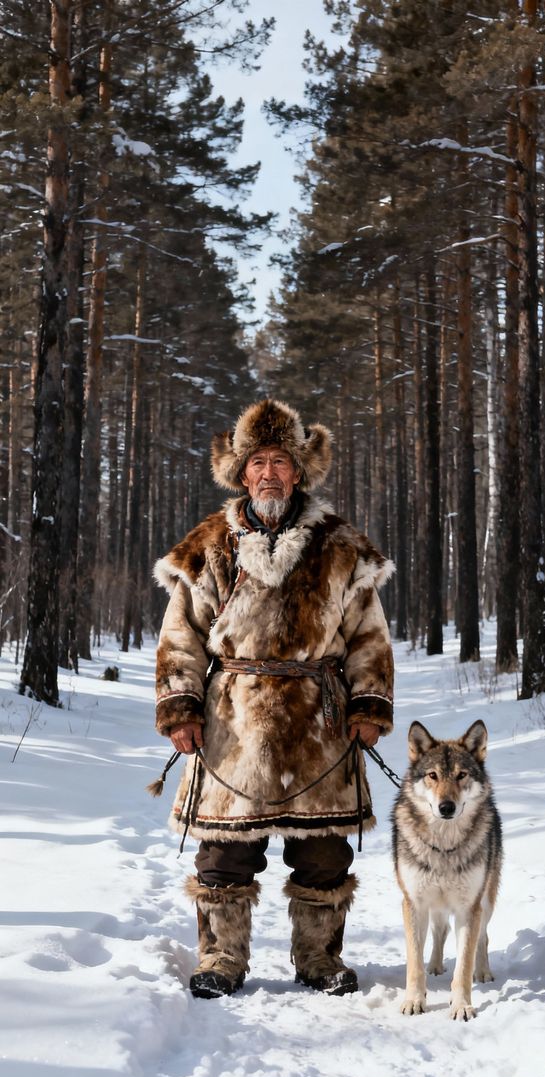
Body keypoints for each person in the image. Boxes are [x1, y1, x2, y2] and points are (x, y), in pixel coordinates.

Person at [153, 398, 394, 999]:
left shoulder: (341, 546)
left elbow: (369, 635)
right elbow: (180, 635)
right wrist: (180, 705)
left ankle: (319, 958)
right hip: (234, 718)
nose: (268, 473)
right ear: (240, 470)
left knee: (323, 853)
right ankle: (221, 958)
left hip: (320, 720)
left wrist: (369, 703)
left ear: (299, 470)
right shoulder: (210, 544)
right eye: (257, 461)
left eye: (280, 461)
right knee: (224, 854)